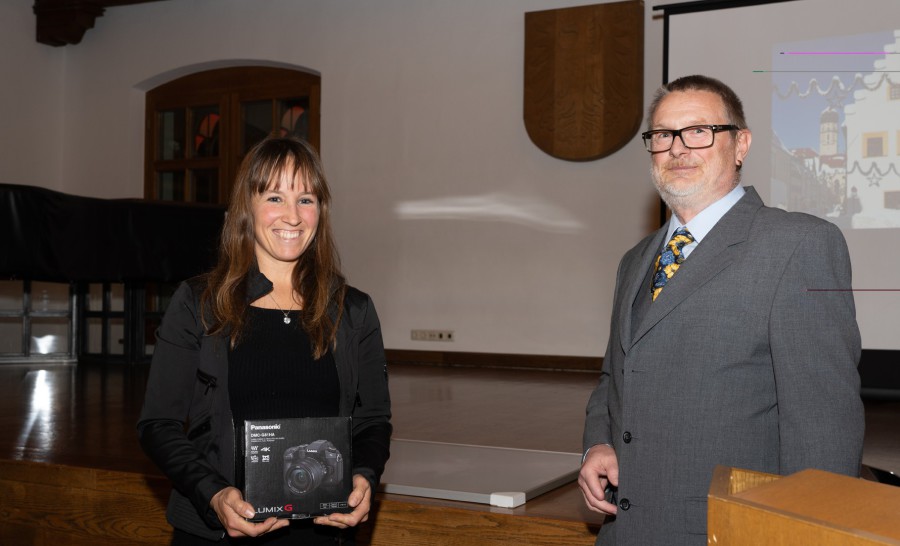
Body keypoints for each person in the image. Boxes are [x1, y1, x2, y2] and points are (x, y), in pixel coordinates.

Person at [579, 75, 864, 546]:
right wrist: (599, 443)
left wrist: (809, 532)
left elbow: (824, 426)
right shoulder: (636, 260)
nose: (677, 148)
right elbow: (614, 377)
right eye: (663, 135)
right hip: (624, 531)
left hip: (727, 531)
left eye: (699, 131)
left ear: (740, 145)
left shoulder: (798, 244)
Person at [138, 136, 392, 545]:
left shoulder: (353, 310)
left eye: (306, 200)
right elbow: (158, 424)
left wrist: (364, 474)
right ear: (247, 207)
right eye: (275, 197)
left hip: (321, 535)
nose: (292, 216)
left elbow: (373, 420)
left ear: (320, 211)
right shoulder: (198, 303)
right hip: (217, 533)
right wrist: (214, 495)